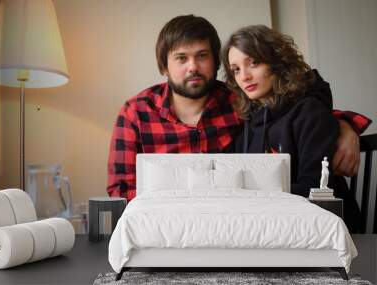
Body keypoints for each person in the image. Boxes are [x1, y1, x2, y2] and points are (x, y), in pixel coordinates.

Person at [107, 15, 370, 203]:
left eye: (202, 56)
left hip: (244, 218)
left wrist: (345, 127)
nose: (193, 67)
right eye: (181, 58)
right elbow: (121, 192)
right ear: (164, 66)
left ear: (213, 61)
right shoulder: (136, 113)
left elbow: (298, 100)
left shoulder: (237, 101)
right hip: (165, 222)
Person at [221, 24, 371, 232]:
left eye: (254, 63)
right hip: (277, 227)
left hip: (328, 230)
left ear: (277, 63)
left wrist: (249, 193)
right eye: (236, 69)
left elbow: (315, 190)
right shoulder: (249, 125)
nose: (244, 76)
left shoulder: (309, 112)